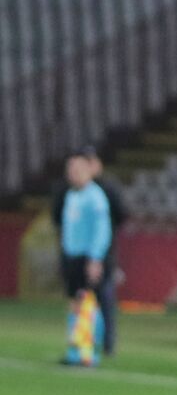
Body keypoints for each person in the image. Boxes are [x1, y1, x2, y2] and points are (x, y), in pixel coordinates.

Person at [53, 147, 127, 356]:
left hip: (88, 257)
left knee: (91, 302)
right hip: (72, 256)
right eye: (70, 169)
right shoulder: (70, 195)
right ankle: (76, 349)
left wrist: (95, 258)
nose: (72, 173)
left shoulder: (95, 197)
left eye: (77, 168)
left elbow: (102, 231)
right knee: (75, 302)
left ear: (88, 169)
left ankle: (90, 349)